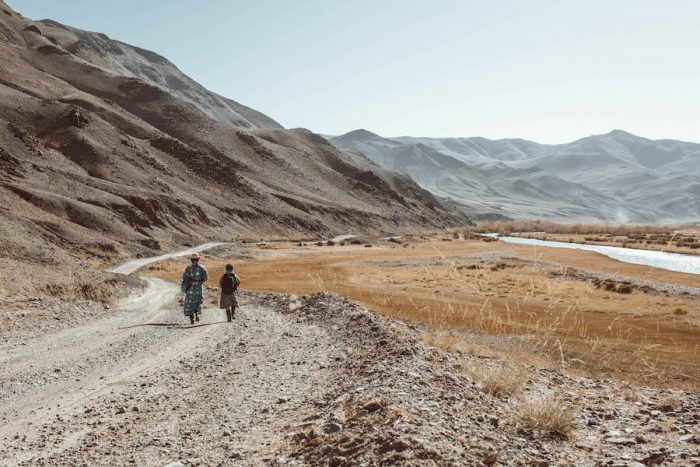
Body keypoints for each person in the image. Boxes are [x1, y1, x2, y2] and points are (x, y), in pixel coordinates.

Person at [181, 253, 209, 325]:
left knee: (189, 303)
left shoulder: (188, 268)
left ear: (191, 260)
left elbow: (184, 278)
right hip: (199, 288)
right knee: (198, 301)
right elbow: (206, 278)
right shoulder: (202, 268)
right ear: (198, 259)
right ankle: (197, 314)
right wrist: (200, 281)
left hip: (190, 288)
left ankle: (191, 319)